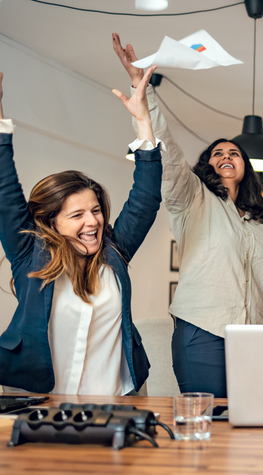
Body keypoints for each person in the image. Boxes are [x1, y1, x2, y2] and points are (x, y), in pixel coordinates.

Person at [113, 34, 263, 398]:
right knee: (211, 429)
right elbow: (170, 155)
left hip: (258, 338)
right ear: (207, 164)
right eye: (217, 152)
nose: (226, 155)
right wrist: (143, 92)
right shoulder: (193, 198)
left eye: (235, 152)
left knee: (256, 424)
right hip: (202, 333)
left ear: (247, 167)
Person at [0, 68, 162, 395]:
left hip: (116, 399)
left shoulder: (113, 250)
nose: (93, 222)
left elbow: (145, 199)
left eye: (97, 210)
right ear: (51, 222)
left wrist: (144, 122)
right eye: (77, 215)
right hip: (37, 400)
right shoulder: (28, 252)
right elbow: (4, 190)